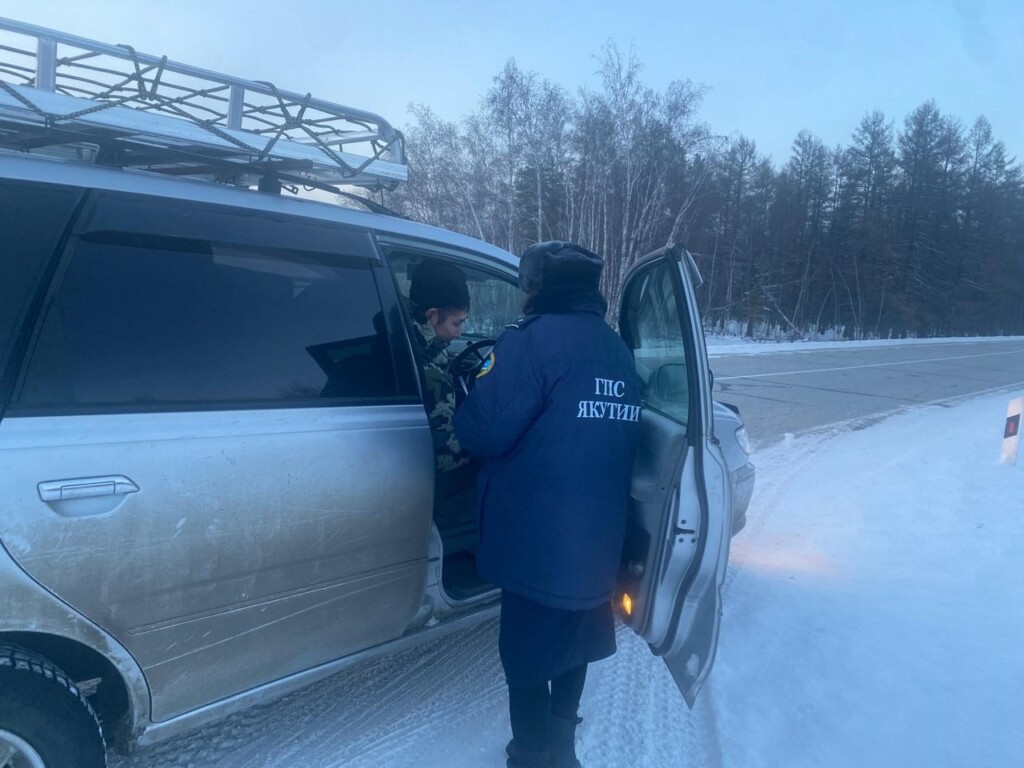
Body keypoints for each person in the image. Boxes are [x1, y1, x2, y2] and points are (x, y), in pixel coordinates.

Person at [454, 241, 643, 768]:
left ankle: (530, 756)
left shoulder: (530, 344)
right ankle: (562, 751)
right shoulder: (617, 349)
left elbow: (480, 430)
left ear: (537, 288)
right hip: (597, 538)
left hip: (537, 537)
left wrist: (468, 393)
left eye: (526, 286)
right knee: (575, 640)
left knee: (528, 656)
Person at [408, 258, 473, 476]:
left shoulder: (399, 338)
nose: (459, 334)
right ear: (432, 316)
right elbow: (447, 458)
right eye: (457, 323)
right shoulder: (430, 376)